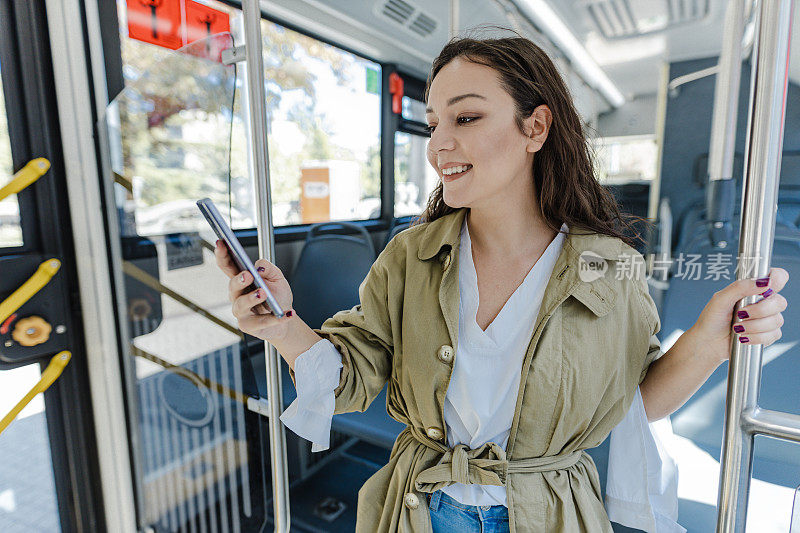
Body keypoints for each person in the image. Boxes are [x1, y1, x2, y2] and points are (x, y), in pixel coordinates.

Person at [214, 35, 789, 533]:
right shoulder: (410, 257)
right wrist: (282, 326)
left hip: (550, 513)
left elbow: (634, 402)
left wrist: (714, 339)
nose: (439, 143)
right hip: (420, 508)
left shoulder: (609, 265)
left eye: (466, 118)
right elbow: (354, 377)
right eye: (434, 123)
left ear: (535, 127)